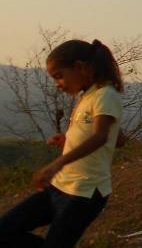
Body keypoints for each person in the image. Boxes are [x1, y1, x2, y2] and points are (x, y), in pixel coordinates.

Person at [0, 40, 125, 246]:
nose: (58, 83)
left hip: (85, 193)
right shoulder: (88, 95)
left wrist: (57, 164)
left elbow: (101, 136)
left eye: (59, 76)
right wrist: (68, 140)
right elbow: (116, 138)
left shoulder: (106, 94)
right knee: (5, 229)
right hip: (60, 187)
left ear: (79, 67)